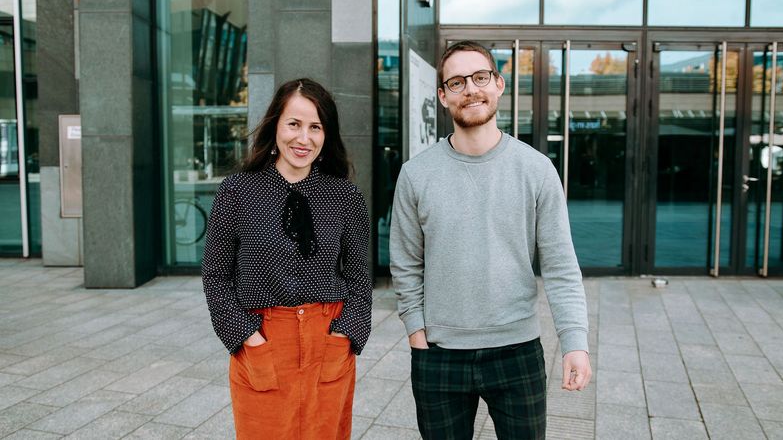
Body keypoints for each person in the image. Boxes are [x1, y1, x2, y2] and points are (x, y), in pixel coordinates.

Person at [390, 41, 592, 440]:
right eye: (457, 82)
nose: (471, 89)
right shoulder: (416, 175)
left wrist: (575, 342)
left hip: (517, 351)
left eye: (480, 77)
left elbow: (560, 264)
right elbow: (405, 261)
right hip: (440, 354)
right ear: (443, 95)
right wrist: (417, 332)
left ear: (498, 84)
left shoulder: (536, 169)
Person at [202, 78, 372, 440]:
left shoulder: (344, 196)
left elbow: (359, 279)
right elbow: (216, 276)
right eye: (294, 124)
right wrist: (246, 337)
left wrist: (346, 335)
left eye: (315, 127)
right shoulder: (237, 192)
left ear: (327, 135)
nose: (303, 138)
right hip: (263, 337)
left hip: (327, 338)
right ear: (275, 125)